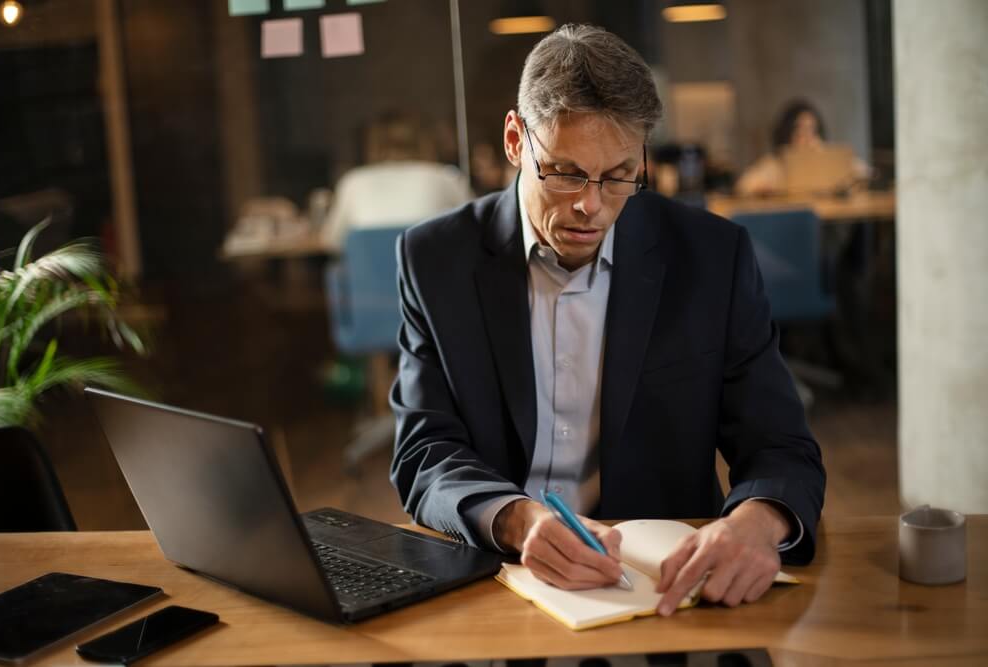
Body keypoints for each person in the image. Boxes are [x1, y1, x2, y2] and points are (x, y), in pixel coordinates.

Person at [390, 24, 825, 616]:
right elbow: (425, 450)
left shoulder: (711, 258)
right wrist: (517, 520)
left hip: (665, 592)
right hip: (498, 580)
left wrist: (758, 520)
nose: (590, 205)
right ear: (516, 140)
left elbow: (780, 446)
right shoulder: (436, 259)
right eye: (566, 172)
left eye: (619, 175)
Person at [321, 113, 473, 247]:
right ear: (426, 142)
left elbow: (331, 240)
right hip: (433, 277)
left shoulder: (353, 181)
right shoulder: (447, 177)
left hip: (368, 279)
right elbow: (480, 232)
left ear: (373, 144)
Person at [735, 99, 869, 196]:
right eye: (799, 130)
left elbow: (864, 173)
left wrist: (822, 152)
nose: (806, 136)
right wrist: (767, 189)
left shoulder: (827, 160)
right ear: (787, 132)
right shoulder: (776, 163)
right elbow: (744, 185)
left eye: (812, 130)